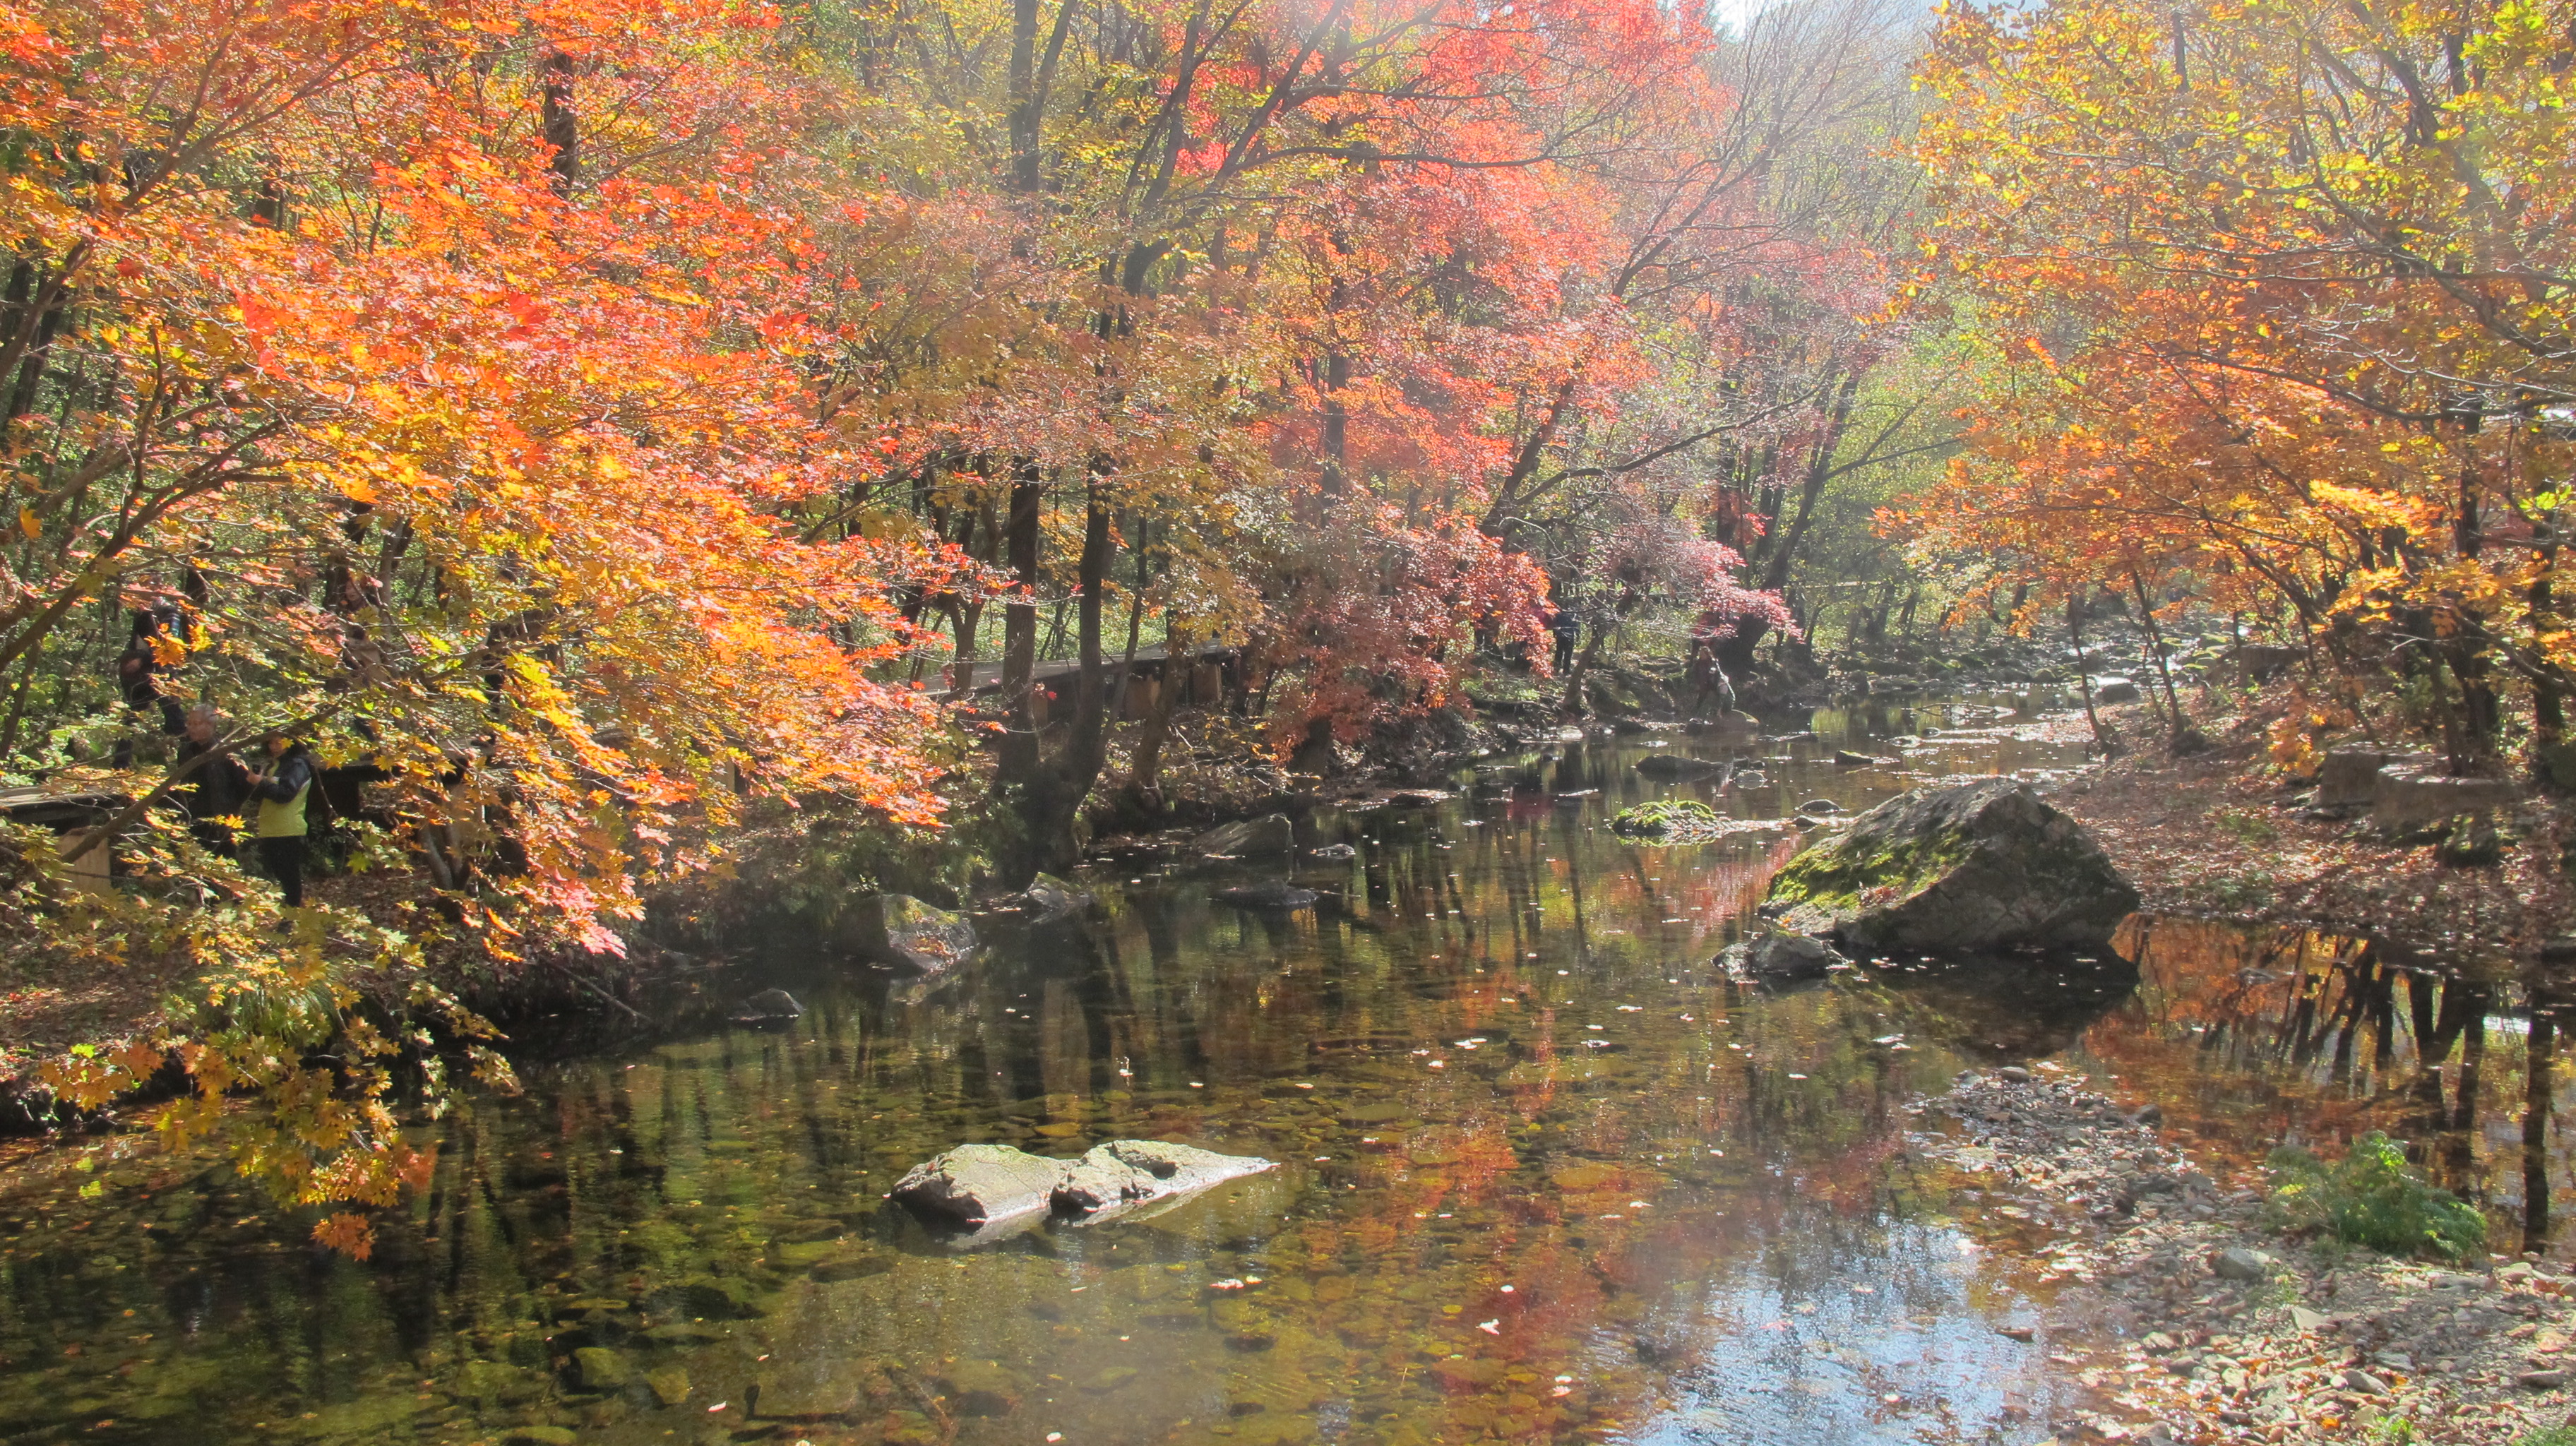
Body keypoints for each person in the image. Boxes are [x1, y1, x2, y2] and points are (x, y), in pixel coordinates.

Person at [246, 731, 316, 910]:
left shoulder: (297, 765)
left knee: (289, 878)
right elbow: (262, 796)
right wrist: (254, 782)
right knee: (278, 878)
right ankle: (284, 915)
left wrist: (261, 783)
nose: (275, 747)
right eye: (271, 743)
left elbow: (285, 795)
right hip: (270, 829)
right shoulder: (274, 765)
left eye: (280, 743)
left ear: (291, 743)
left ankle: (292, 916)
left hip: (289, 830)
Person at [175, 706, 251, 856]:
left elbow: (244, 786)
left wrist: (231, 812)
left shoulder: (228, 751)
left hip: (221, 820)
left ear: (210, 725)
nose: (191, 728)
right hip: (192, 818)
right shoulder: (185, 751)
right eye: (189, 724)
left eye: (196, 724)